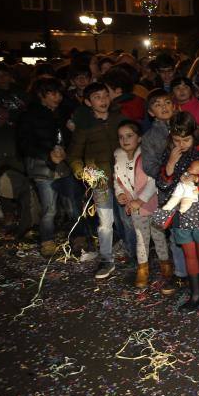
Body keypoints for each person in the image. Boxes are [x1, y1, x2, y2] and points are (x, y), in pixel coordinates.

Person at [158, 112, 199, 316]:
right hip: (181, 213)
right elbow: (162, 185)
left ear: (194, 134)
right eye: (176, 140)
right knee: (189, 254)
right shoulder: (171, 151)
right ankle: (196, 295)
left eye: (185, 139)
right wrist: (169, 164)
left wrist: (197, 180)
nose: (181, 144)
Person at [67, 82, 126, 279]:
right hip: (99, 178)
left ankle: (134, 254)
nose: (102, 101)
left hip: (123, 176)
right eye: (97, 97)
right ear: (88, 102)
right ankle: (106, 259)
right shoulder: (85, 126)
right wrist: (83, 172)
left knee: (126, 219)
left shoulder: (120, 120)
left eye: (105, 96)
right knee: (105, 221)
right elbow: (75, 155)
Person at [18, 77, 76, 257]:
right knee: (50, 206)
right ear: (41, 95)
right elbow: (24, 144)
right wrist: (47, 154)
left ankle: (77, 236)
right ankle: (47, 240)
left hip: (64, 164)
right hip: (42, 166)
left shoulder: (62, 112)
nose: (57, 97)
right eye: (52, 93)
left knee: (72, 204)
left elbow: (68, 138)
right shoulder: (30, 115)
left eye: (59, 93)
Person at [113, 120, 169, 289]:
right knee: (141, 238)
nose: (125, 140)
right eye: (121, 137)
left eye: (129, 136)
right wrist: (120, 194)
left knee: (158, 236)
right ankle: (142, 269)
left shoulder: (146, 155)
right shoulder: (118, 157)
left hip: (151, 203)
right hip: (135, 206)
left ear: (139, 138)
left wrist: (140, 199)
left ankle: (165, 264)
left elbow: (153, 181)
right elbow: (117, 181)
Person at [141, 89, 187, 294]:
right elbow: (149, 166)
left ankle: (198, 271)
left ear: (174, 105)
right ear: (151, 112)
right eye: (158, 104)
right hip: (169, 191)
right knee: (176, 233)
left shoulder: (187, 125)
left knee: (195, 230)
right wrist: (169, 165)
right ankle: (180, 273)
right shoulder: (150, 136)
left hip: (193, 187)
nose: (164, 107)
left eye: (167, 102)